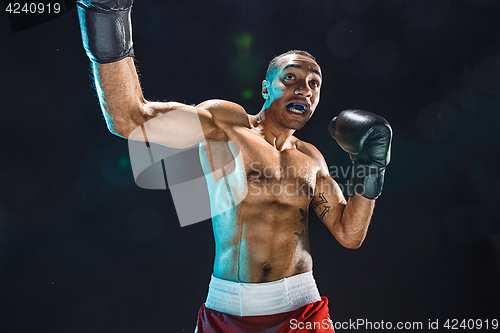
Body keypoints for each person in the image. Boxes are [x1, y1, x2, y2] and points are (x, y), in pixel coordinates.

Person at [76, 1, 392, 332]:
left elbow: (350, 234)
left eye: (314, 83)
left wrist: (371, 168)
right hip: (229, 309)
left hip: (302, 309)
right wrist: (105, 15)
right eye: (291, 77)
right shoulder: (226, 124)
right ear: (265, 87)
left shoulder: (311, 159)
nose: (304, 88)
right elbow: (129, 118)